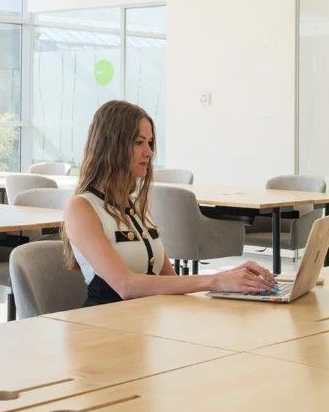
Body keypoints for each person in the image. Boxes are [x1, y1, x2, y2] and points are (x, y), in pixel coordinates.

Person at [63, 100, 276, 306]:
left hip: (144, 320)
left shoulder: (134, 206)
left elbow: (171, 280)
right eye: (139, 142)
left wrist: (232, 277)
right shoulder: (81, 208)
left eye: (149, 142)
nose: (149, 152)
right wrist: (216, 280)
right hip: (104, 323)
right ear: (111, 146)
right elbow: (126, 286)